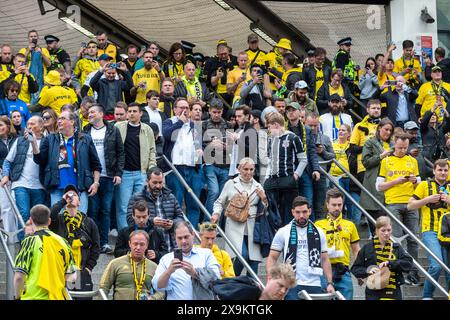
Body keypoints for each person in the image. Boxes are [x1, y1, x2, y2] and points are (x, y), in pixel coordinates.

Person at [32, 110, 101, 213]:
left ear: (72, 121)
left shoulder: (85, 139)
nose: (59, 121)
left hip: (80, 187)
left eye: (63, 118)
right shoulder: (50, 139)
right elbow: (39, 160)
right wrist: (33, 142)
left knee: (79, 220)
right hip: (57, 187)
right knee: (59, 221)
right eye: (58, 119)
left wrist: (95, 183)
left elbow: (96, 165)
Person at [267, 196, 334, 299]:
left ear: (310, 211)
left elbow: (324, 259)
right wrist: (270, 278)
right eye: (298, 212)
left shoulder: (319, 232)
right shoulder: (283, 231)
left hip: (314, 284)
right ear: (292, 212)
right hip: (291, 283)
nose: (301, 215)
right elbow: (272, 257)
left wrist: (329, 282)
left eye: (304, 212)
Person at [376, 133, 421, 285]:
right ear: (394, 143)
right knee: (396, 238)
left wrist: (415, 182)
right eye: (400, 147)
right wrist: (396, 181)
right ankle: (399, 271)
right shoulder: (386, 161)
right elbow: (379, 186)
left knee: (413, 238)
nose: (402, 150)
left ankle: (413, 272)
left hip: (411, 203)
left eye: (405, 148)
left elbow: (419, 185)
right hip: (393, 203)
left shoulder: (413, 161)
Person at [83, 104, 124, 254]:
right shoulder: (85, 131)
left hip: (109, 175)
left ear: (101, 114)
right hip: (91, 177)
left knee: (106, 210)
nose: (89, 114)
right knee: (93, 210)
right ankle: (93, 242)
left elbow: (120, 153)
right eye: (88, 112)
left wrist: (118, 173)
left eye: (92, 111)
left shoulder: (113, 130)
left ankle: (104, 242)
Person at [14, 204, 77, 300]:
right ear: (49, 221)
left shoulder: (29, 241)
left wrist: (17, 296)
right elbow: (72, 278)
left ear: (31, 220)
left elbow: (19, 276)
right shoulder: (64, 242)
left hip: (33, 297)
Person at [407, 159, 450, 299]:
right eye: (440, 170)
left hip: (448, 232)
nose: (443, 173)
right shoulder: (424, 185)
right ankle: (427, 295)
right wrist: (427, 199)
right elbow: (410, 206)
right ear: (434, 171)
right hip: (429, 230)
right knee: (437, 265)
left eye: (445, 170)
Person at [49, 185, 100, 297]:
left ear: (79, 202)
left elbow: (96, 247)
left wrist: (88, 268)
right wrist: (63, 200)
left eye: (74, 195)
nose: (71, 196)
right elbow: (50, 215)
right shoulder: (58, 220)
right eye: (68, 194)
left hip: (81, 271)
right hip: (61, 272)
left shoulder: (89, 222)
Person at [1, 116, 46, 238]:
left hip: (40, 185)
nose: (29, 126)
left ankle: (36, 242)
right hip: (20, 183)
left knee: (37, 216)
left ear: (41, 126)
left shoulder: (47, 141)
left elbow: (44, 161)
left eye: (33, 124)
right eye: (28, 124)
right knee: (24, 213)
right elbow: (7, 161)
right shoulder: (20, 140)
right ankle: (23, 243)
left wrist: (34, 142)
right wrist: (6, 176)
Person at [152, 221, 221, 300]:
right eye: (180, 238)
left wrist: (195, 273)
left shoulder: (206, 253)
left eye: (186, 237)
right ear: (175, 238)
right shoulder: (166, 259)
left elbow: (216, 278)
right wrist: (169, 272)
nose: (183, 241)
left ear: (193, 234)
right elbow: (157, 286)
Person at [115, 103, 156, 232]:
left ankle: (141, 233)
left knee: (142, 205)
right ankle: (125, 234)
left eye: (134, 111)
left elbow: (152, 151)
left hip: (141, 172)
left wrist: (150, 173)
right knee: (123, 206)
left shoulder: (147, 129)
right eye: (130, 111)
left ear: (140, 113)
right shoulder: (118, 127)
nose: (131, 113)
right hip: (124, 173)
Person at [162, 97, 203, 228]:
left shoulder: (194, 125)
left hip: (193, 169)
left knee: (194, 203)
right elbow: (167, 135)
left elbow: (198, 145)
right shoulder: (169, 122)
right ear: (174, 109)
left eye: (186, 108)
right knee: (176, 202)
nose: (184, 110)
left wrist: (200, 151)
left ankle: (192, 231)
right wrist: (179, 122)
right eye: (181, 107)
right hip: (175, 169)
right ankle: (177, 231)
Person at [351, 216, 413, 300]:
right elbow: (355, 269)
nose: (386, 233)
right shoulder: (367, 248)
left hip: (393, 292)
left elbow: (408, 264)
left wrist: (390, 263)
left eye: (389, 230)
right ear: (376, 231)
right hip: (373, 292)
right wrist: (367, 270)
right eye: (383, 230)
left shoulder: (396, 247)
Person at [315, 188, 360, 300]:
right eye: (334, 204)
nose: (337, 208)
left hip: (343, 271)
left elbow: (356, 250)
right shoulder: (318, 225)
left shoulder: (350, 225)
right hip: (323, 271)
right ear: (327, 204)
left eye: (339, 205)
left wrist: (360, 271)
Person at [126, 167, 184, 251]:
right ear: (147, 181)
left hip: (172, 245)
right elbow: (130, 221)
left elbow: (180, 217)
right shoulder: (136, 198)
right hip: (151, 248)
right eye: (154, 182)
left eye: (160, 182)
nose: (158, 186)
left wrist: (173, 224)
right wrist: (151, 221)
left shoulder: (171, 197)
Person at [264, 112, 307, 225]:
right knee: (271, 206)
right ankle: (274, 231)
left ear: (276, 125)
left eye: (269, 127)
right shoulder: (270, 139)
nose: (268, 130)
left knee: (288, 210)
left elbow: (303, 159)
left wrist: (296, 175)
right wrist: (267, 177)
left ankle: (288, 233)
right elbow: (269, 160)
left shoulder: (293, 138)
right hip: (273, 179)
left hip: (288, 178)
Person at [100, 230, 164, 300]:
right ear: (129, 244)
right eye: (135, 244)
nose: (138, 247)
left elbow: (161, 290)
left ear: (147, 245)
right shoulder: (115, 263)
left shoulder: (154, 266)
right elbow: (103, 288)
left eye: (142, 244)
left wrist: (153, 298)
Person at [360, 118, 394, 234]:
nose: (388, 132)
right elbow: (365, 162)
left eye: (390, 130)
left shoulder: (393, 145)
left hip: (390, 188)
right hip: (373, 186)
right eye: (386, 129)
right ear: (379, 128)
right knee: (376, 227)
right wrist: (380, 156)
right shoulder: (370, 142)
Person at [305, 112, 335, 220]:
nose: (313, 128)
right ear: (305, 123)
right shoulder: (303, 137)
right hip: (306, 173)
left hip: (321, 174)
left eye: (315, 125)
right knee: (308, 202)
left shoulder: (325, 138)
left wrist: (323, 152)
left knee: (320, 204)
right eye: (310, 125)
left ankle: (319, 227)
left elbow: (333, 157)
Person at [202, 98, 229, 214]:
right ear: (209, 111)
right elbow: (199, 145)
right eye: (214, 112)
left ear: (222, 111)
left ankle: (218, 225)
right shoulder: (204, 124)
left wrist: (226, 147)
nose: (216, 115)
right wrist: (211, 145)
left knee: (222, 197)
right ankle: (208, 221)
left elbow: (234, 145)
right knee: (214, 191)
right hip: (210, 163)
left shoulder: (228, 125)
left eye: (219, 112)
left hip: (225, 164)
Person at [329, 124, 355, 218]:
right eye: (339, 130)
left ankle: (350, 221)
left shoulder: (351, 146)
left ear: (349, 134)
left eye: (343, 130)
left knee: (349, 201)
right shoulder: (332, 144)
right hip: (335, 177)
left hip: (348, 176)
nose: (341, 132)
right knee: (339, 201)